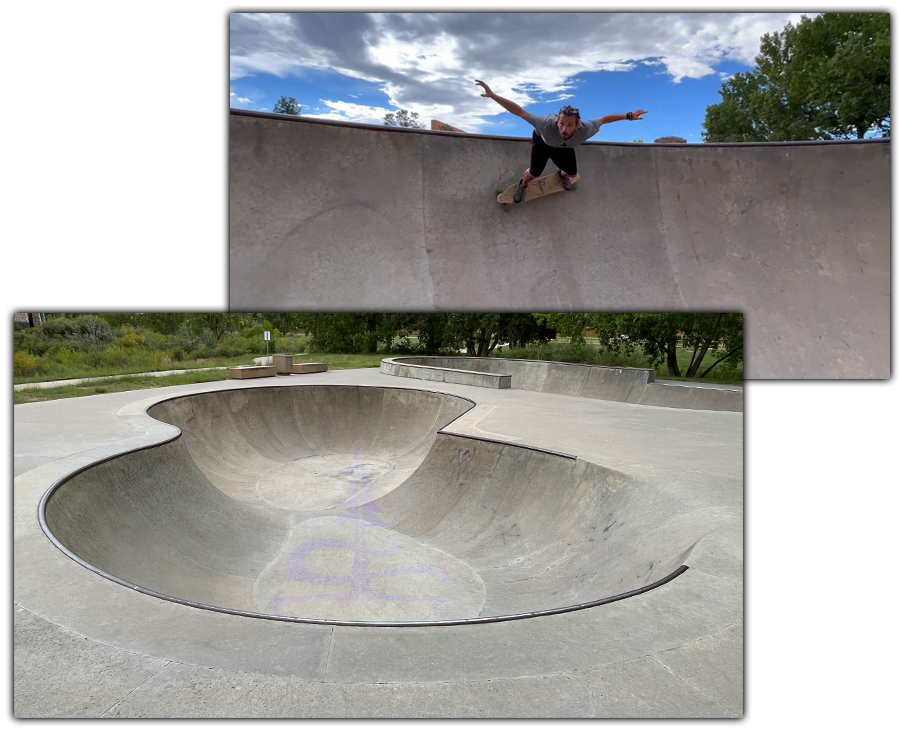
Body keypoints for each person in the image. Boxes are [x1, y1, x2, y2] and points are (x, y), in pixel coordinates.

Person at [475, 80, 648, 203]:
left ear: (577, 124)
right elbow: (519, 112)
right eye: (561, 124)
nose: (564, 129)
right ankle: (522, 185)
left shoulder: (586, 129)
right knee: (534, 173)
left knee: (572, 174)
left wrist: (628, 116)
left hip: (564, 148)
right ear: (557, 121)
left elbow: (603, 119)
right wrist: (493, 95)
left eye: (569, 125)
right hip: (542, 143)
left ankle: (562, 174)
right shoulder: (545, 124)